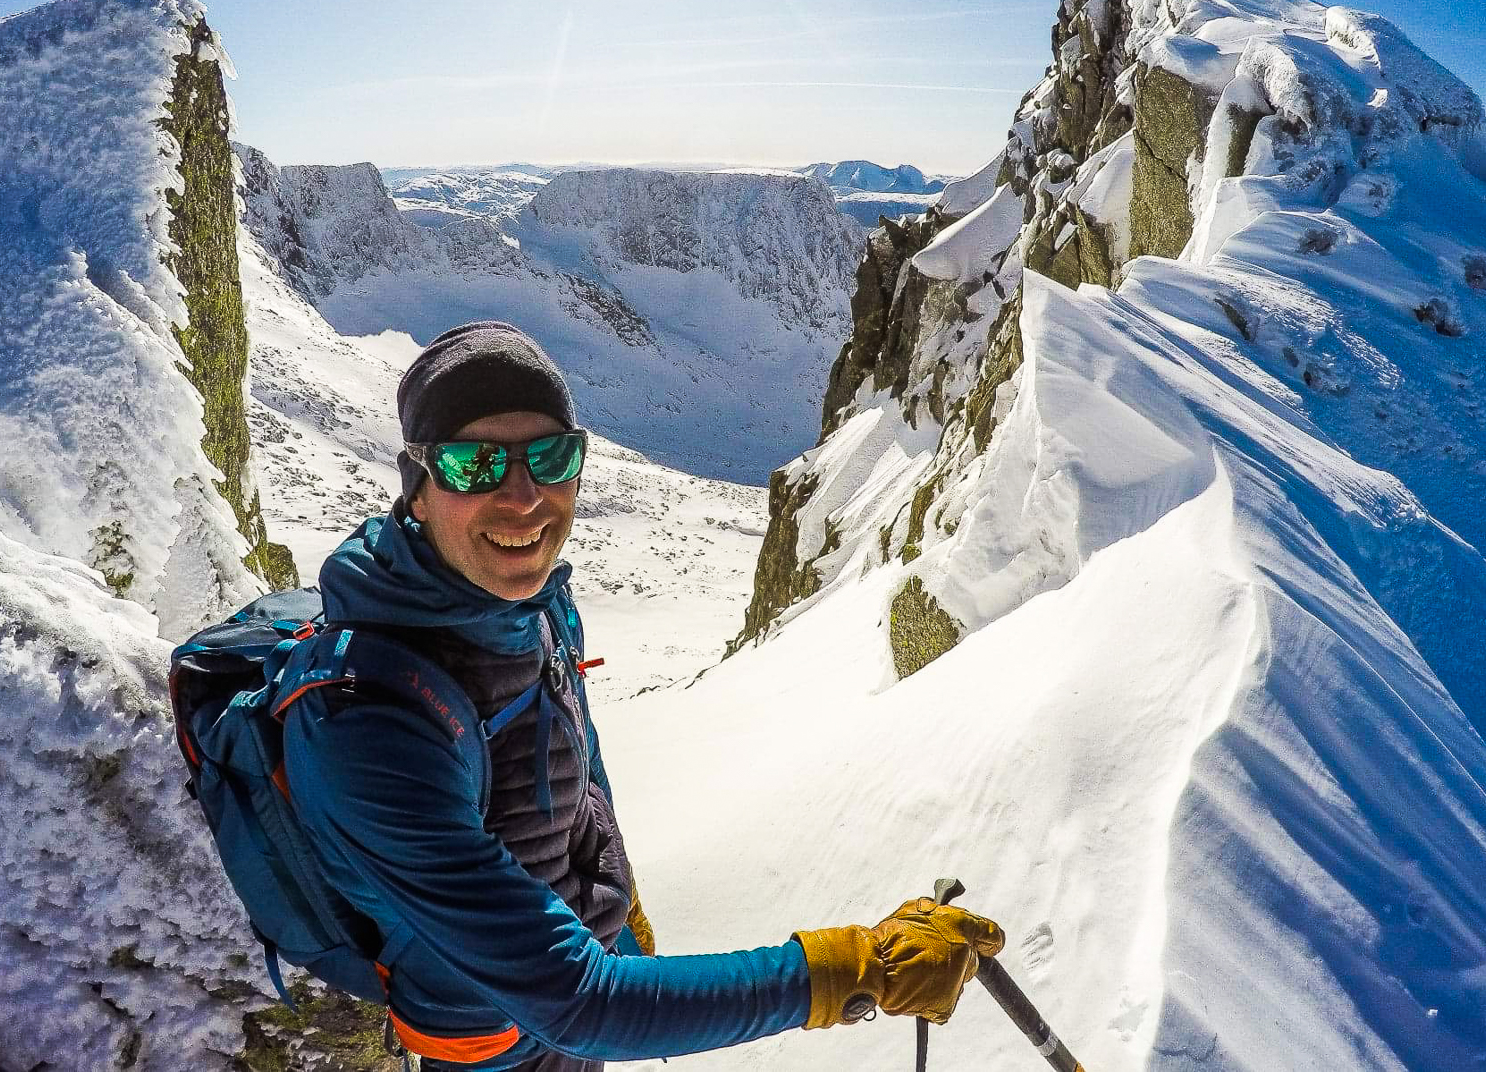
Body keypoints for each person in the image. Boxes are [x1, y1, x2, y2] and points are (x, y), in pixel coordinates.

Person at [281, 320, 1006, 1070]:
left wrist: (620, 900)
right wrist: (861, 968)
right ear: (419, 489)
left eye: (551, 456)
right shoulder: (369, 723)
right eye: (473, 465)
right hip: (491, 1046)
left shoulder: (533, 605)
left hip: (570, 1006)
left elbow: (577, 760)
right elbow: (581, 1001)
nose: (524, 497)